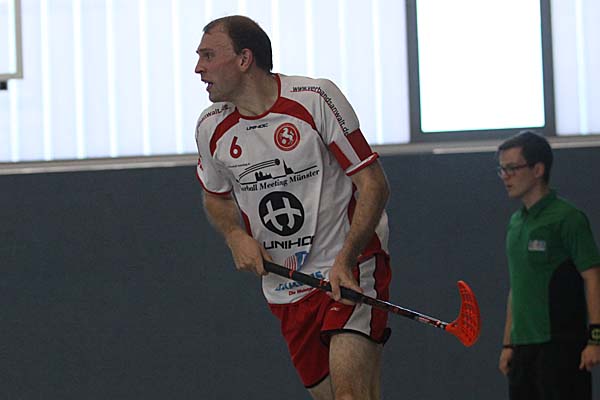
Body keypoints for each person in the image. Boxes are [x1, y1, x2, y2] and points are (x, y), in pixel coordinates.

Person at [193, 15, 392, 400]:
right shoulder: (211, 127)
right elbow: (215, 196)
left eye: (208, 55)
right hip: (285, 287)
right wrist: (234, 235)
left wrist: (346, 258)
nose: (198, 68)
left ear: (244, 59)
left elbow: (373, 184)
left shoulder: (314, 99)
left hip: (349, 269)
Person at [496, 130, 600, 399]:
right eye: (502, 170)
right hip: (523, 351)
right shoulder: (515, 223)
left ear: (538, 170)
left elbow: (593, 277)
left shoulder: (568, 218)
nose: (505, 176)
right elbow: (517, 287)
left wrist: (595, 339)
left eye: (512, 168)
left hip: (561, 347)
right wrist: (508, 344)